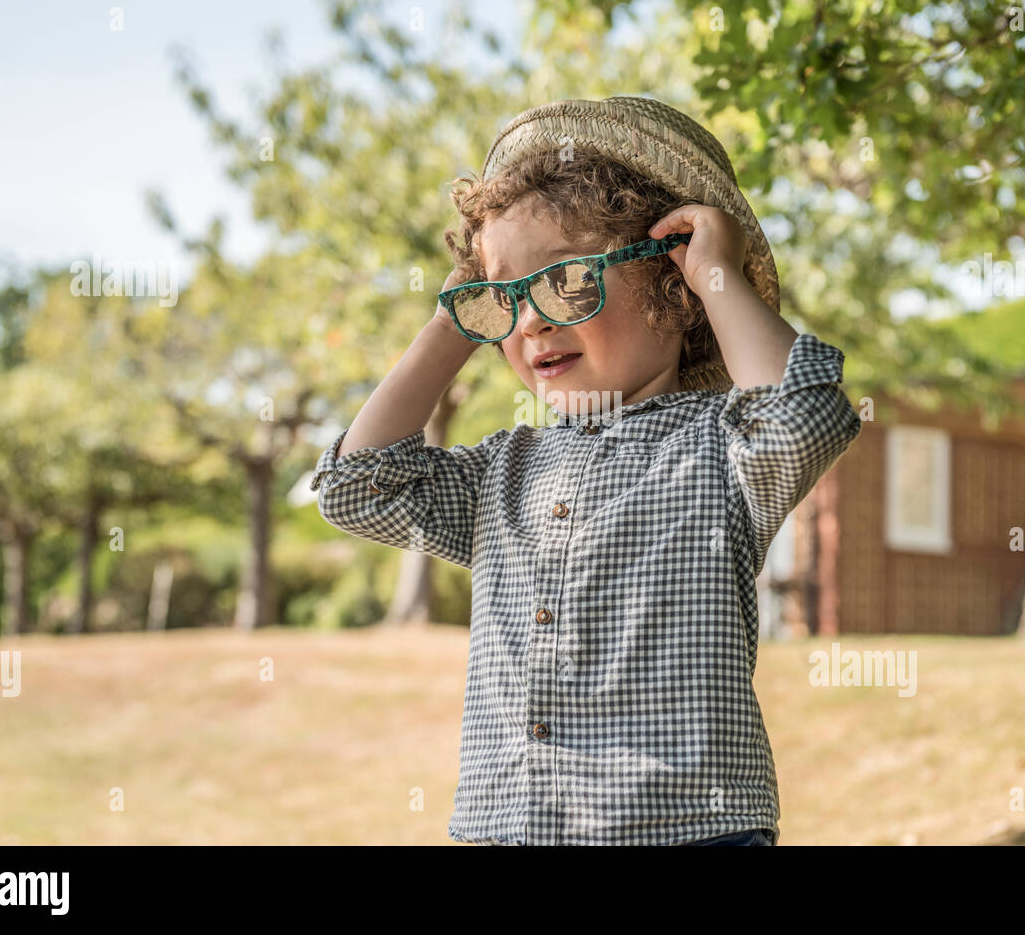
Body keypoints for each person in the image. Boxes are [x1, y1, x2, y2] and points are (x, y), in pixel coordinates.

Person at [309, 96, 863, 846]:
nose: (530, 320)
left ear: (675, 289)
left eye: (566, 281)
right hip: (506, 827)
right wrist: (450, 323)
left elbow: (805, 414)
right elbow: (354, 487)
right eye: (503, 298)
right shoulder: (503, 468)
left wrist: (717, 272)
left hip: (684, 829)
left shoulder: (720, 448)